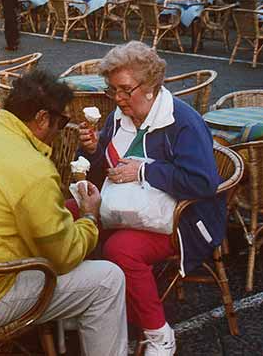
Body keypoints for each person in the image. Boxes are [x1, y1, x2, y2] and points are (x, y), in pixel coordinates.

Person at [0, 71, 128, 356]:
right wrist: (89, 218)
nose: (60, 132)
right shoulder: (34, 170)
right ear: (42, 118)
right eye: (60, 122)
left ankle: (72, 322)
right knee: (108, 280)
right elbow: (64, 256)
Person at [80, 41, 223, 355]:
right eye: (113, 90)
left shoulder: (183, 122)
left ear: (150, 86)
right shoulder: (118, 116)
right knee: (69, 212)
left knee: (121, 249)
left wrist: (144, 171)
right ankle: (89, 303)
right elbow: (106, 171)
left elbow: (203, 183)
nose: (118, 98)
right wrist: (91, 150)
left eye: (125, 90)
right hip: (128, 208)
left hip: (183, 220)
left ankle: (160, 335)